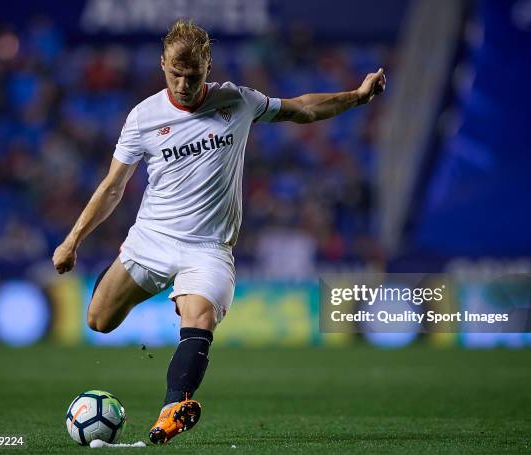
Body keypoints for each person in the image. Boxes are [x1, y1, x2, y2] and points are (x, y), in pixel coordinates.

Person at [52, 18, 386, 445]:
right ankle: (129, 275)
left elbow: (302, 107)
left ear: (208, 66)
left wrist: (357, 98)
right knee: (98, 321)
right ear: (162, 65)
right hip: (151, 239)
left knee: (200, 318)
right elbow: (113, 186)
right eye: (175, 73)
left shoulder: (238, 101)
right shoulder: (143, 118)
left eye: (193, 75)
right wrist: (72, 240)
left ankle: (174, 407)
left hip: (208, 248)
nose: (184, 83)